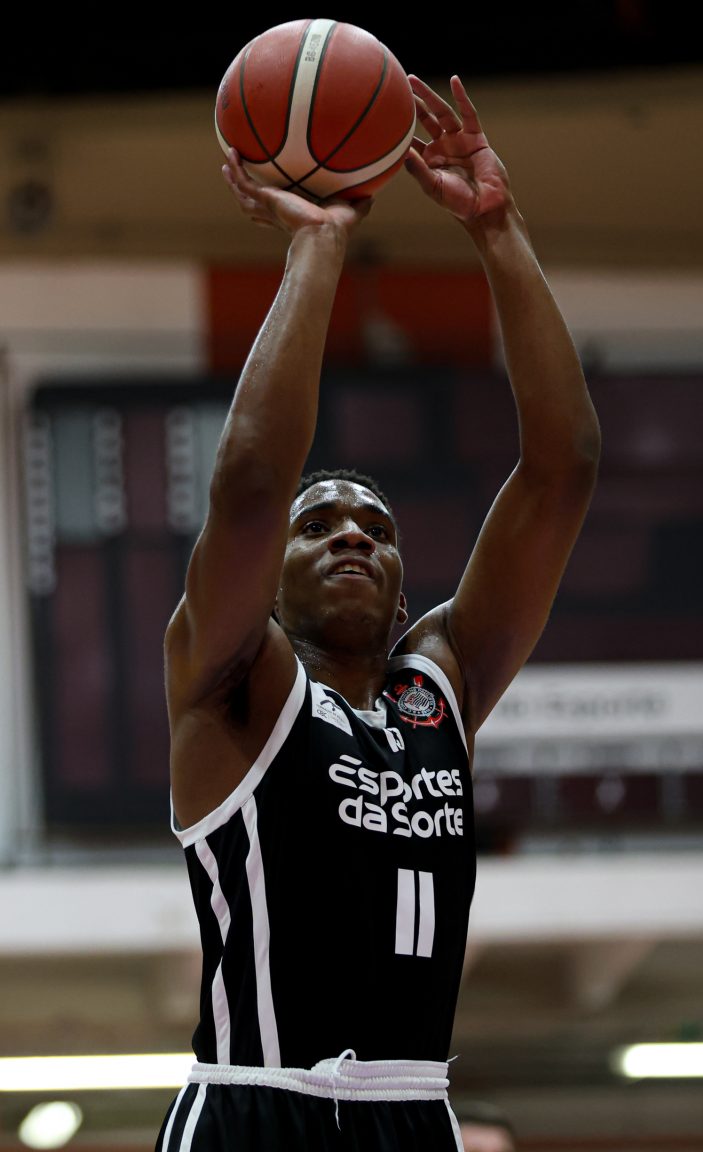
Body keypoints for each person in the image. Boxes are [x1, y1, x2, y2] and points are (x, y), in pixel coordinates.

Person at [155, 72, 600, 1152]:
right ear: (267, 580)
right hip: (258, 1107)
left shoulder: (437, 686)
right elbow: (251, 485)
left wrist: (498, 229)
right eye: (319, 527)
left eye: (377, 529)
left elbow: (564, 470)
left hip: (414, 1112)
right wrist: (318, 248)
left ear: (406, 590)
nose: (352, 535)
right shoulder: (236, 682)